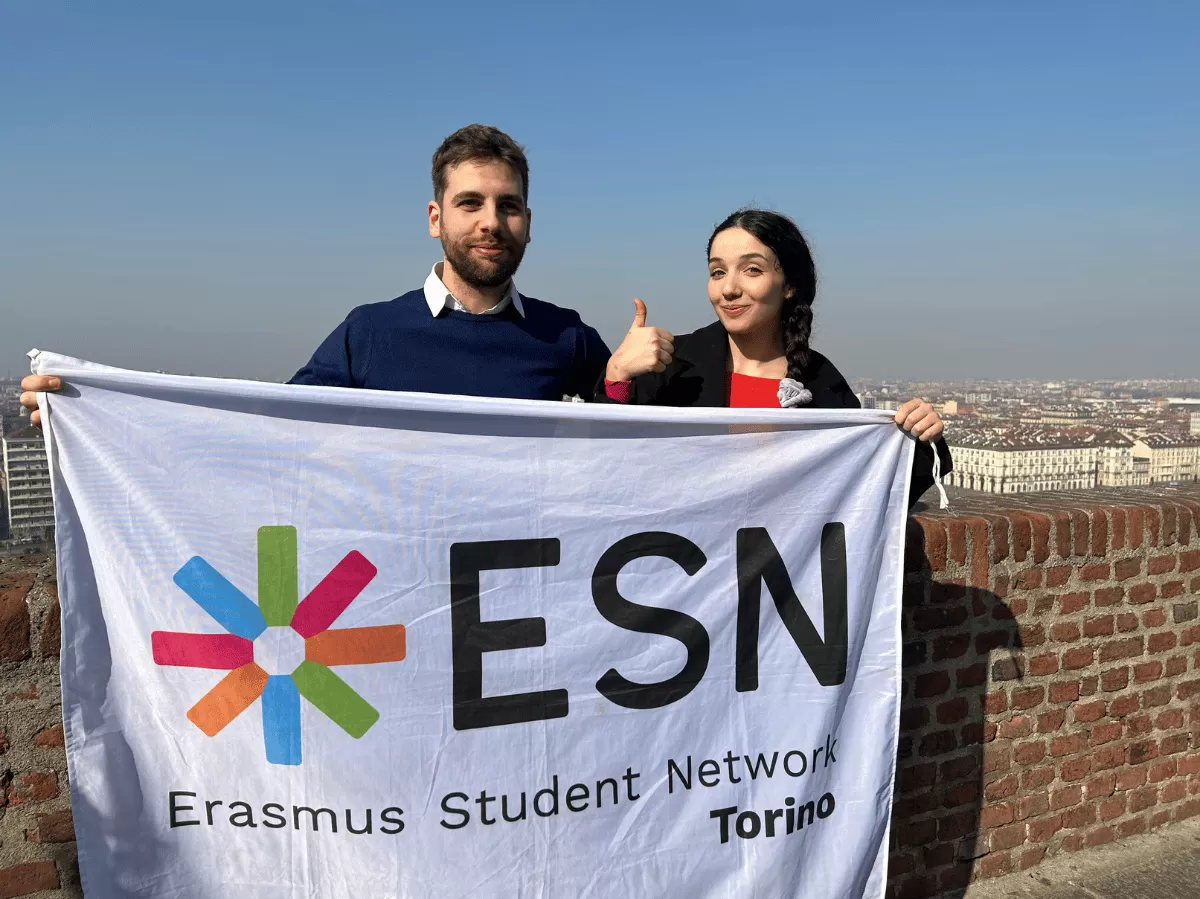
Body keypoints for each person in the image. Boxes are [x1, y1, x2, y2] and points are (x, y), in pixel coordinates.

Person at [19, 124, 611, 424]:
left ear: (528, 222)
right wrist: (92, 414)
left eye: (508, 207)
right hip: (404, 604)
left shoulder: (566, 337)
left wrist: (623, 377)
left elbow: (645, 441)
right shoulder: (369, 335)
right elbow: (263, 435)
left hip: (528, 602)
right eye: (470, 203)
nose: (491, 223)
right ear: (435, 218)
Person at [599, 208, 951, 507]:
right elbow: (606, 463)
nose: (728, 288)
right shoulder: (674, 364)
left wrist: (922, 435)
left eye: (751, 269)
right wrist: (616, 376)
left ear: (788, 285)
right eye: (717, 272)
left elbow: (868, 486)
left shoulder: (819, 379)